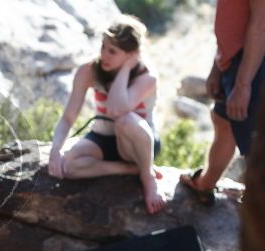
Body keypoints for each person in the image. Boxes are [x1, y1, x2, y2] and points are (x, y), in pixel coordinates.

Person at [48, 15, 167, 215]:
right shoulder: (88, 71)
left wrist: (126, 69)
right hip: (103, 138)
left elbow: (117, 108)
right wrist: (55, 150)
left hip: (136, 142)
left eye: (113, 51)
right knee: (67, 166)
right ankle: (129, 170)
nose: (104, 55)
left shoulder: (147, 77)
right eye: (103, 47)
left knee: (125, 120)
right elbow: (69, 116)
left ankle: (147, 176)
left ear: (132, 54)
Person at [179, 0, 265, 205]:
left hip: (254, 63)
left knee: (256, 147)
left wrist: (243, 85)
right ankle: (204, 184)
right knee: (223, 121)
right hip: (236, 60)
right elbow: (233, 19)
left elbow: (261, 25)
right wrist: (218, 67)